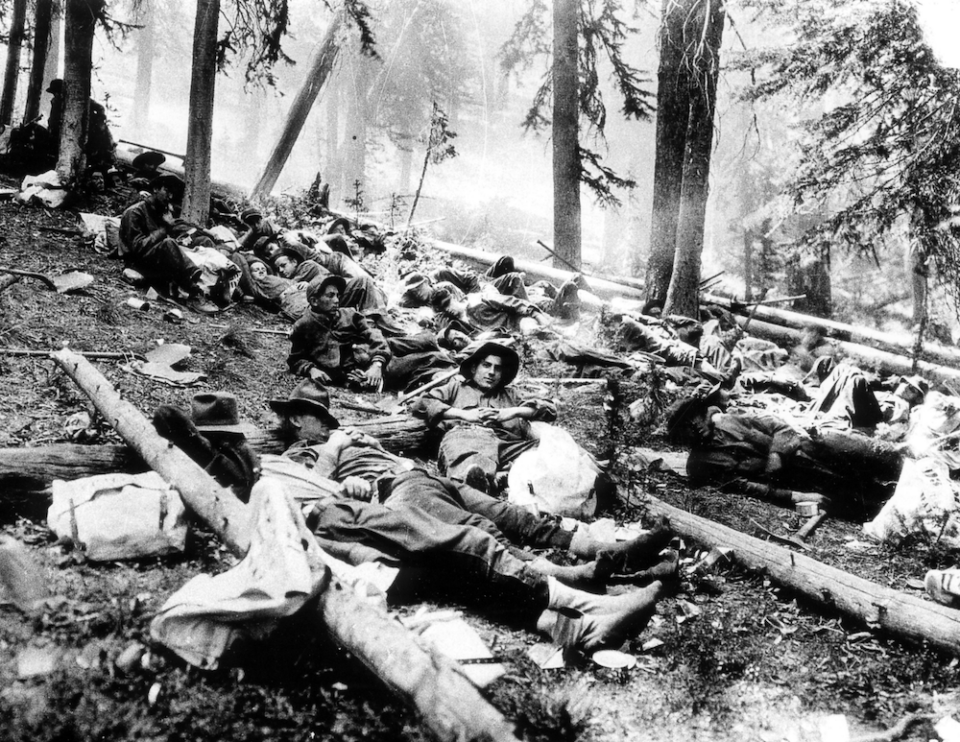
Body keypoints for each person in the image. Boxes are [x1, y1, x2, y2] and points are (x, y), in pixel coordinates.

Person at [260, 380, 671, 653]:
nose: (330, 425)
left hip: (419, 476)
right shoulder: (300, 454)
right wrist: (334, 449)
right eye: (320, 418)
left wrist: (373, 447)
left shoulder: (349, 438)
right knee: (478, 534)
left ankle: (605, 552)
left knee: (511, 516)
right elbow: (314, 490)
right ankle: (575, 580)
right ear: (296, 419)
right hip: (397, 492)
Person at [664, 384, 899, 507]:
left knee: (865, 455)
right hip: (796, 479)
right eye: (685, 426)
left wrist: (776, 455)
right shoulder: (701, 464)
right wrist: (795, 496)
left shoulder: (732, 419)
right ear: (682, 437)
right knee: (861, 501)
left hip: (807, 450)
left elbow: (779, 426)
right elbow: (744, 487)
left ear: (702, 412)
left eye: (693, 418)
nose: (693, 427)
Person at [414, 341, 556, 493]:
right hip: (468, 440)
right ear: (474, 368)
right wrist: (465, 415)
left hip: (507, 446)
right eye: (486, 365)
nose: (491, 372)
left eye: (498, 368)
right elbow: (423, 403)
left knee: (552, 449)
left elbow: (549, 409)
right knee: (471, 463)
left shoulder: (511, 394)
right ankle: (476, 484)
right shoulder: (456, 388)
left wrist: (511, 412)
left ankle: (500, 477)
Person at [287, 275, 391, 390]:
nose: (337, 301)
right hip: (361, 373)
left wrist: (377, 364)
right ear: (314, 301)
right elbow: (295, 360)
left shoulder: (350, 315)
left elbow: (374, 335)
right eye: (330, 296)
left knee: (408, 344)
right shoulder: (303, 326)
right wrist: (311, 369)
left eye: (337, 295)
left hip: (374, 358)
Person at [118, 174, 209, 304]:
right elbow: (137, 248)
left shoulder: (160, 211)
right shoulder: (135, 212)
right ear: (155, 189)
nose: (170, 197)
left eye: (172, 193)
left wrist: (171, 229)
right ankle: (194, 288)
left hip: (155, 262)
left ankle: (196, 282)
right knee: (168, 244)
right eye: (167, 191)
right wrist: (164, 229)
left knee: (194, 245)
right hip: (136, 264)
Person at [45, 78, 115, 178]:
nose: (56, 95)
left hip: (86, 130)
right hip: (62, 132)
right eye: (54, 93)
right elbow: (53, 119)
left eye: (57, 92)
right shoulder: (56, 102)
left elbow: (100, 108)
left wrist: (99, 123)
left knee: (94, 149)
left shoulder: (78, 100)